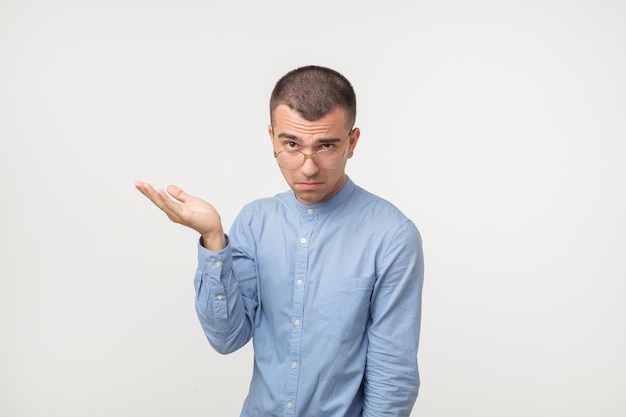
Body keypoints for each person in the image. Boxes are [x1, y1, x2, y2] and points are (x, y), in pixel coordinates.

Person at [135, 65, 424, 417]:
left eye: (327, 146)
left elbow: (392, 375)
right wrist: (213, 239)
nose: (308, 167)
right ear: (272, 137)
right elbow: (227, 339)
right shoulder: (255, 221)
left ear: (352, 142)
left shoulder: (392, 236)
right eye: (291, 144)